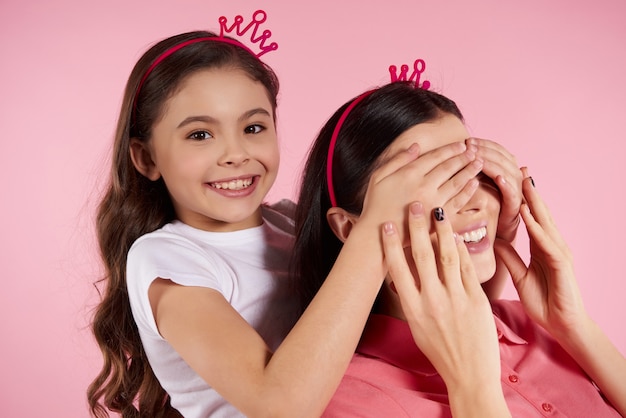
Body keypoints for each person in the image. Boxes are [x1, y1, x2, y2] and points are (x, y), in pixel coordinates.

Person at [85, 24, 490, 417]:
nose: (235, 153)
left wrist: (493, 243)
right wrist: (374, 224)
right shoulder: (167, 262)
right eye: (200, 135)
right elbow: (278, 405)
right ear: (147, 158)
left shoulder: (289, 222)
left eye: (254, 127)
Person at [291, 81, 626, 417]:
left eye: (477, 172)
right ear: (350, 228)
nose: (475, 201)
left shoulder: (536, 324)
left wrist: (577, 329)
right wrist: (472, 388)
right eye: (436, 183)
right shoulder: (353, 401)